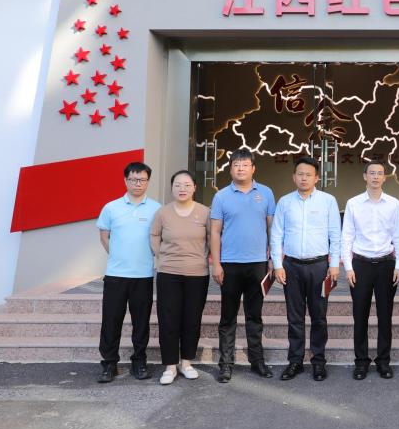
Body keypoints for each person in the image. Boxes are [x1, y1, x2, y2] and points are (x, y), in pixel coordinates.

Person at [271, 156, 341, 381]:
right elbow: (276, 235)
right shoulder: (285, 202)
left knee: (319, 316)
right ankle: (295, 361)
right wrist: (277, 265)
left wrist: (334, 264)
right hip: (291, 266)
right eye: (300, 174)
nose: (304, 178)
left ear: (316, 178)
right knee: (295, 317)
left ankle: (318, 362)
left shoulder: (328, 201)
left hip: (319, 267)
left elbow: (335, 234)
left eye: (308, 174)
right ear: (294, 177)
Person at [210, 148, 276, 383]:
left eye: (245, 164)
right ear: (230, 169)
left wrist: (273, 258)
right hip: (229, 264)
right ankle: (226, 364)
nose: (240, 168)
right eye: (236, 164)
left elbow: (272, 228)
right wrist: (216, 263)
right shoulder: (221, 196)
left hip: (258, 264)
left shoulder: (266, 193)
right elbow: (215, 232)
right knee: (228, 317)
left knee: (254, 316)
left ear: (253, 168)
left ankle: (257, 361)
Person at [96, 161, 161, 383]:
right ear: (125, 180)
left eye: (142, 179)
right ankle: (109, 364)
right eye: (133, 179)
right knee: (111, 320)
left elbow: (160, 238)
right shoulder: (111, 207)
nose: (137, 183)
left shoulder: (157, 209)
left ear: (148, 181)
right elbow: (104, 236)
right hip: (116, 275)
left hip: (143, 275)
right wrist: (117, 255)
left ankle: (139, 362)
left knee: (141, 322)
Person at [342, 161, 399, 380]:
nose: (376, 177)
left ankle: (383, 361)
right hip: (361, 265)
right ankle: (361, 362)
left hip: (386, 264)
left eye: (379, 173)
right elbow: (347, 237)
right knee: (360, 315)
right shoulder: (353, 203)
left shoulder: (394, 203)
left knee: (385, 315)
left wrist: (398, 265)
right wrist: (348, 267)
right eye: (372, 173)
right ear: (365, 176)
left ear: (385, 177)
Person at [150, 170, 211, 385]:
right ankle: (170, 366)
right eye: (177, 185)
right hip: (169, 273)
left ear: (194, 187)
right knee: (168, 319)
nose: (182, 189)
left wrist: (206, 257)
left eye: (186, 185)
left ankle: (186, 363)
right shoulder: (162, 213)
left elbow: (212, 237)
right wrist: (161, 256)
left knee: (191, 319)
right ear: (172, 188)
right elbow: (154, 235)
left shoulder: (205, 212)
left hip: (197, 274)